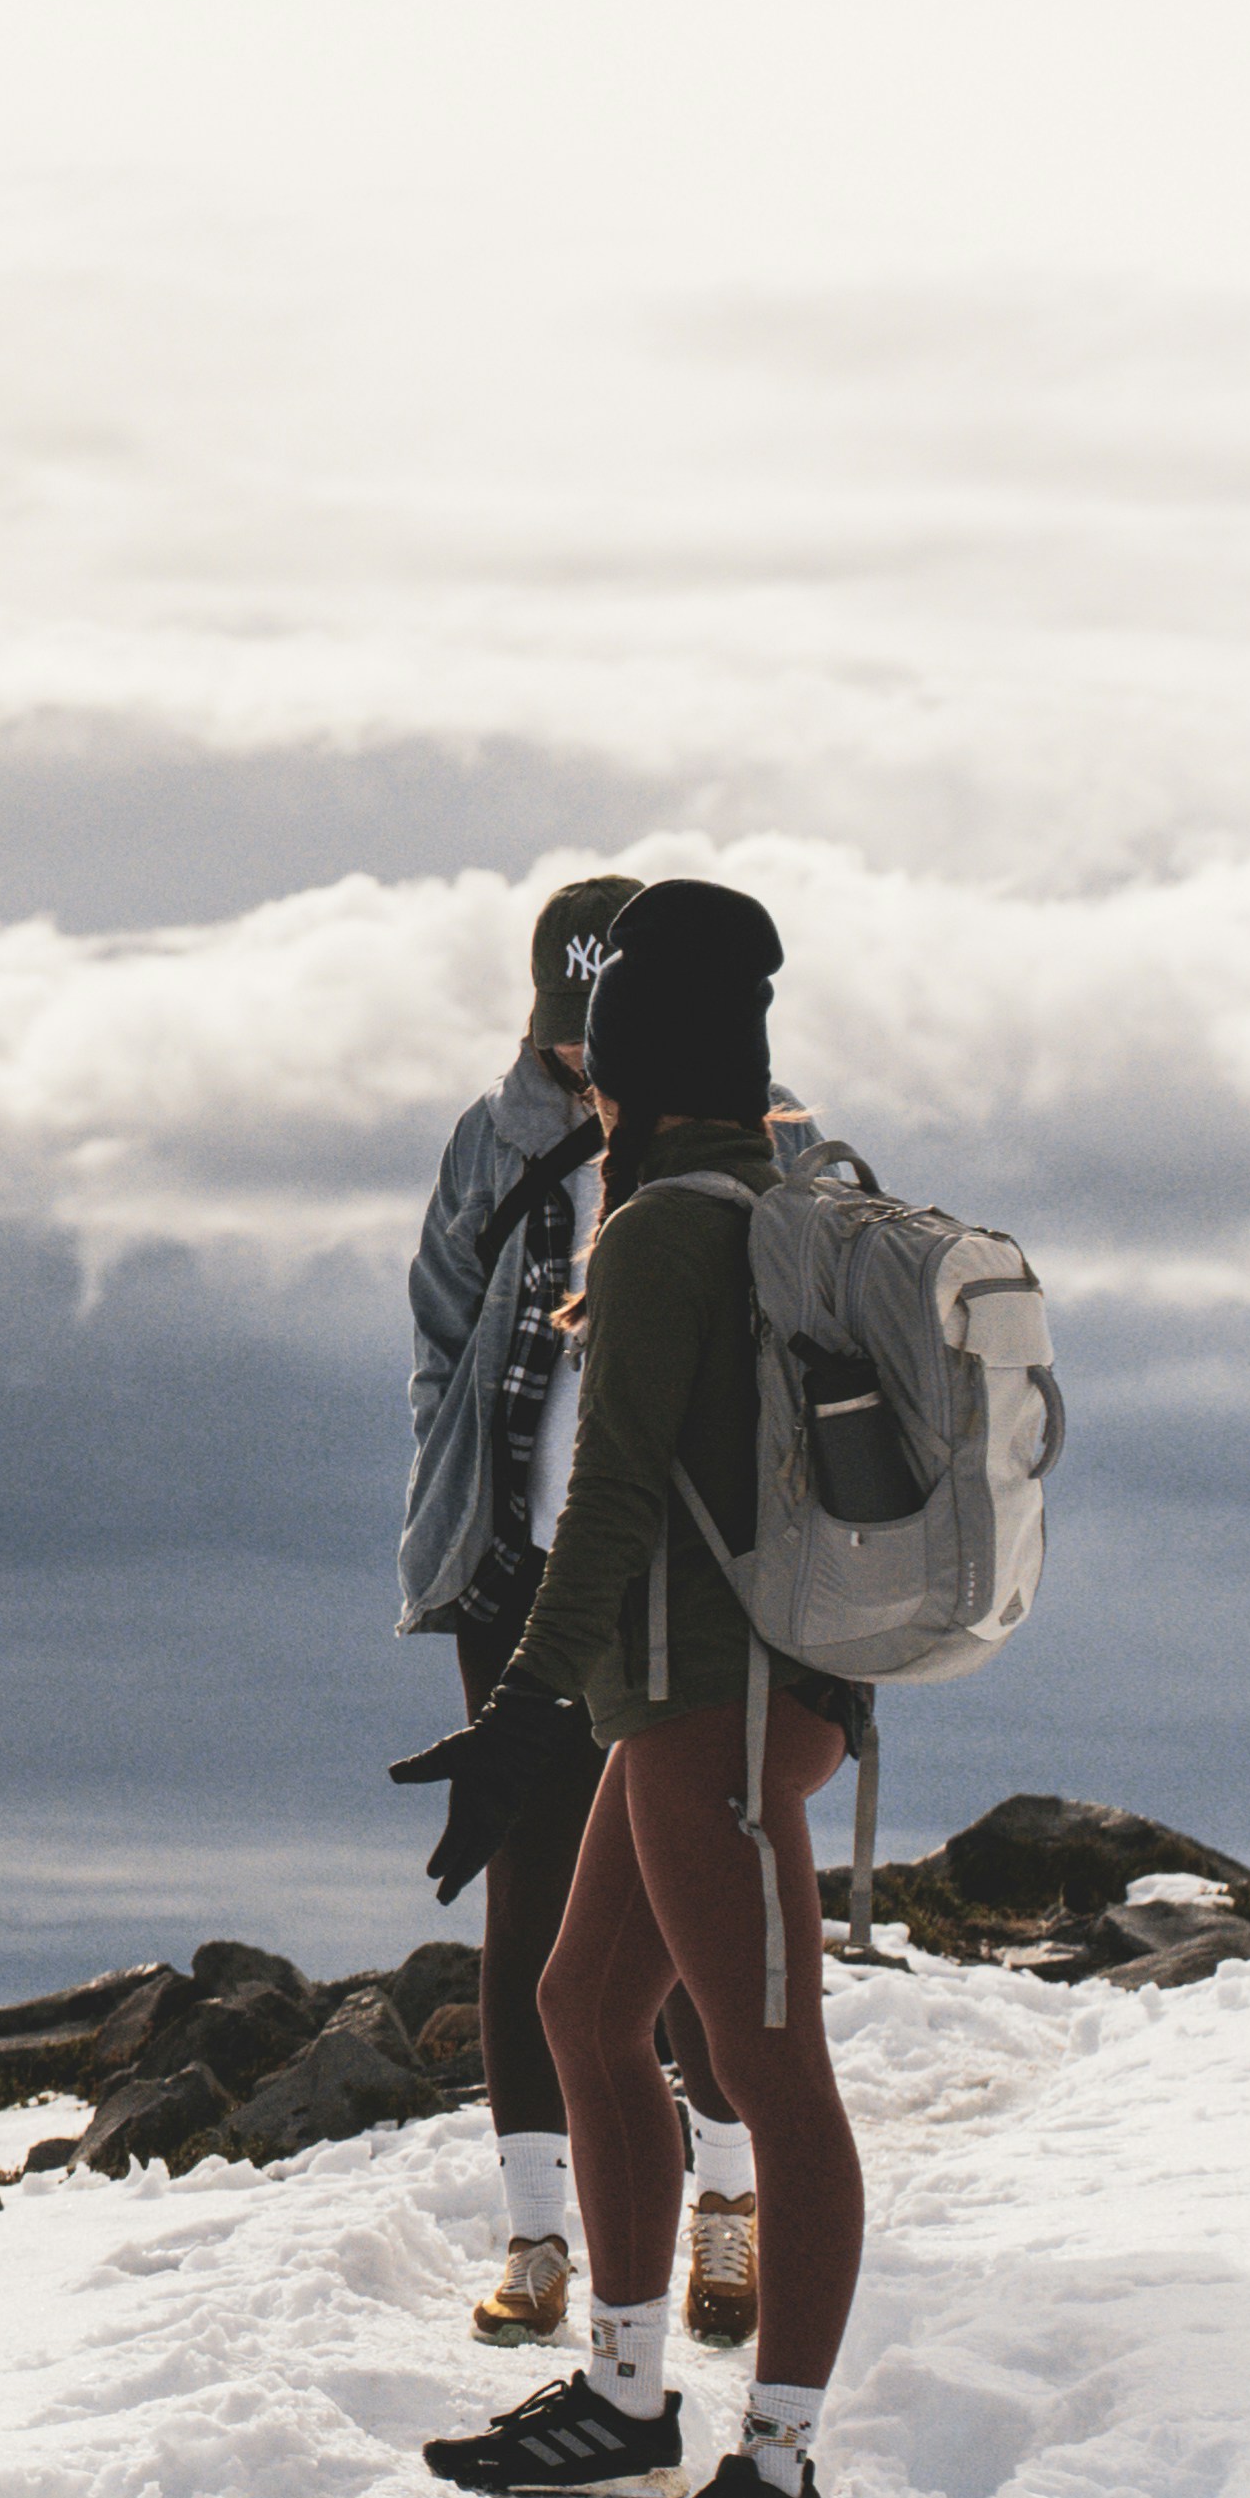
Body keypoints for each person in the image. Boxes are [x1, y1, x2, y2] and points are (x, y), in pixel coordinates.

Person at [394, 876, 871, 2498]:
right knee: (585, 2003)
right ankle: (621, 2394)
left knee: (771, 2069)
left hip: (710, 1711)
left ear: (636, 1061)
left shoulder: (670, 1229)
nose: (582, 1083)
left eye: (603, 1058)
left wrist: (524, 1711)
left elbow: (603, 1515)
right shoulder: (787, 1192)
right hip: (727, 1697)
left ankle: (783, 2464)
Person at [391, 878, 770, 2359]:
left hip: (684, 1596)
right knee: (532, 1898)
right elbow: (439, 1339)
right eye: (561, 1039)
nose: (578, 1068)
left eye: (594, 1040)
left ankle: (725, 2206)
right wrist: (470, 1511)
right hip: (522, 1575)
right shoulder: (492, 1150)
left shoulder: (743, 1141)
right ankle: (538, 2232)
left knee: (685, 1914)